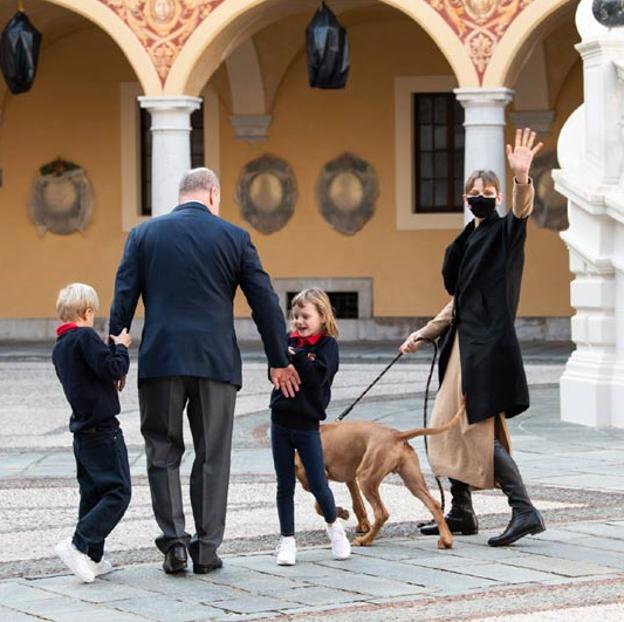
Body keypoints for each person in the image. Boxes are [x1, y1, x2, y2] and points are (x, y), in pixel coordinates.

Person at [109, 168, 300, 575]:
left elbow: (123, 297)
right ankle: (207, 548)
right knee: (213, 455)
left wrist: (116, 360)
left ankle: (174, 544)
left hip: (161, 359)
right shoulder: (234, 237)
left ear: (181, 196)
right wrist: (278, 360)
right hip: (215, 362)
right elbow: (264, 302)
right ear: (213, 194)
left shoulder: (144, 236)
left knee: (161, 451)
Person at [400, 128, 546, 547]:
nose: (479, 195)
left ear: (498, 197)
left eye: (487, 190)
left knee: (474, 429)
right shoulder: (468, 240)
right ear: (466, 198)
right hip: (464, 345)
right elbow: (460, 302)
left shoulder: (504, 233)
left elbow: (522, 212)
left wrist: (521, 178)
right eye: (473, 191)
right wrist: (423, 334)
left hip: (484, 349)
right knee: (447, 426)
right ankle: (462, 511)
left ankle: (523, 509)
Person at [52, 283, 132, 582]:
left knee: (93, 494)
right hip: (104, 430)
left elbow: (92, 372)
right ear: (87, 312)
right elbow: (111, 368)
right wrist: (121, 346)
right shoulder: (85, 336)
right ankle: (78, 544)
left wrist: (108, 353)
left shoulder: (61, 345)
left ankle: (92, 557)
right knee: (118, 491)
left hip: (83, 432)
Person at [270, 288, 350, 566]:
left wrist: (299, 358)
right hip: (280, 421)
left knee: (317, 482)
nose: (299, 322)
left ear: (322, 316)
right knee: (284, 485)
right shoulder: (286, 341)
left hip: (306, 424)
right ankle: (288, 540)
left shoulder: (327, 346)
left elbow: (318, 378)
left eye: (305, 316)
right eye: (295, 316)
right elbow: (277, 367)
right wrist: (290, 357)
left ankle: (334, 528)